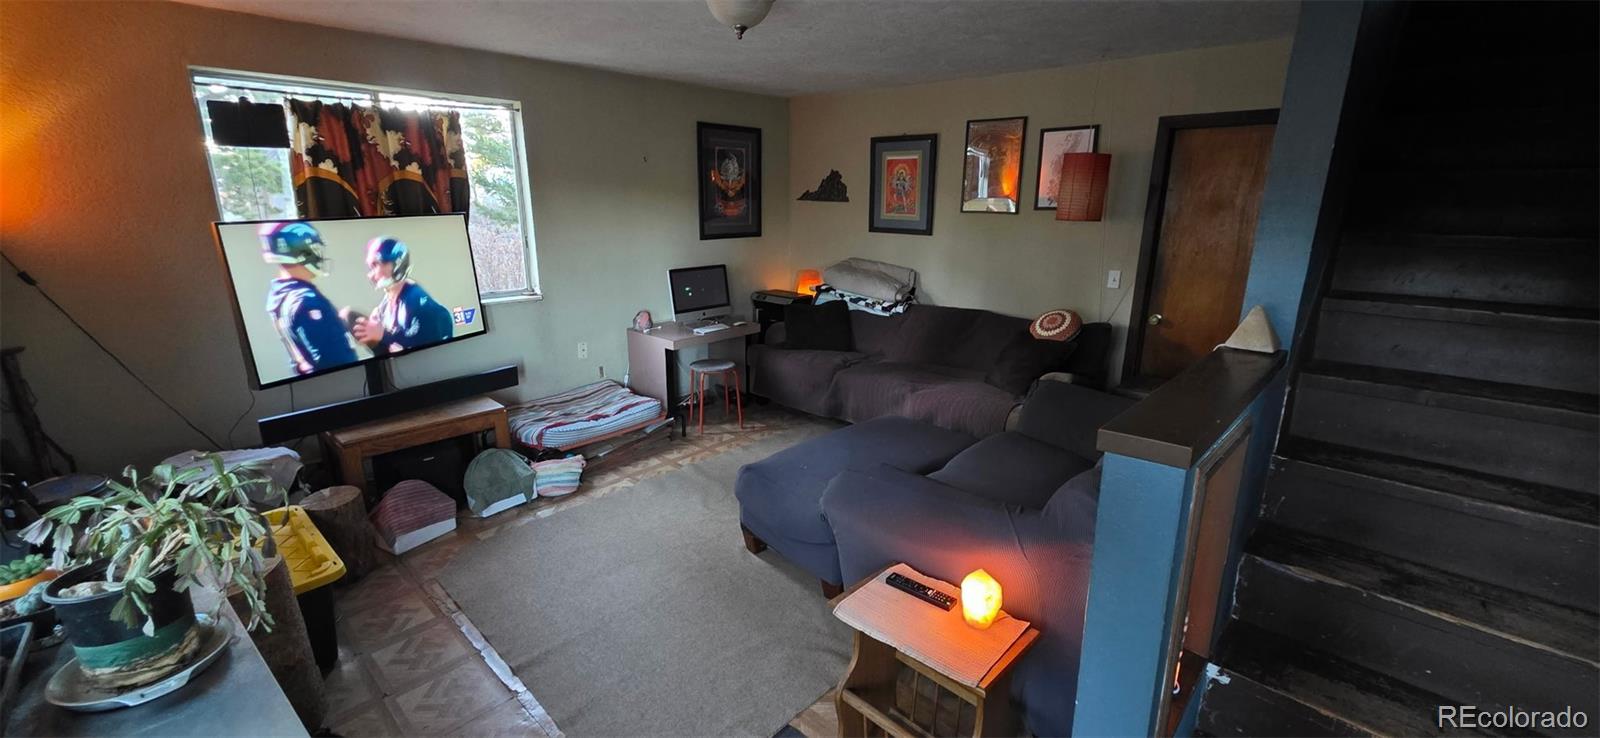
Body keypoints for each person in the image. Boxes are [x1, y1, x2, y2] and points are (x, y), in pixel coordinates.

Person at [260, 222, 359, 376]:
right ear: (301, 251)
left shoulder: (279, 296)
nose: (319, 255)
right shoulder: (307, 302)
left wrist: (337, 323)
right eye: (314, 248)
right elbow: (334, 362)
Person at [349, 236, 453, 355]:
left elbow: (426, 353)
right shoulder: (384, 307)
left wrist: (382, 334)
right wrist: (373, 339)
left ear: (396, 263)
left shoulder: (419, 304)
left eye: (375, 265)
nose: (370, 275)